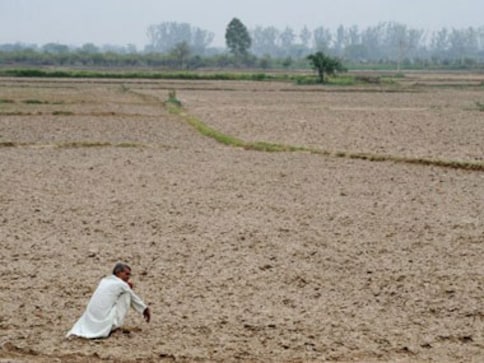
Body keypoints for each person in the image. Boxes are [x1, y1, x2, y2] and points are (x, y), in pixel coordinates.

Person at [66, 262, 151, 339]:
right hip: (103, 323)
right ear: (118, 273)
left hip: (89, 321)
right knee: (127, 295)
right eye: (126, 274)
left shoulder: (104, 280)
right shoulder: (121, 284)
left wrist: (126, 286)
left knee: (124, 293)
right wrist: (144, 309)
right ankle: (114, 326)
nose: (128, 277)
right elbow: (133, 297)